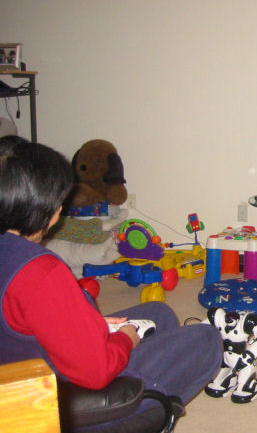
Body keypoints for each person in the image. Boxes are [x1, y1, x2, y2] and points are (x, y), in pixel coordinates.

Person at [0, 136, 222, 427]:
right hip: (53, 401)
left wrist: (94, 324)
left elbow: (26, 323)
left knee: (159, 314)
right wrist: (124, 339)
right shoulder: (40, 271)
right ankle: (140, 413)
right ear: (42, 205)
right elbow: (96, 371)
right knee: (206, 339)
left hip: (27, 364)